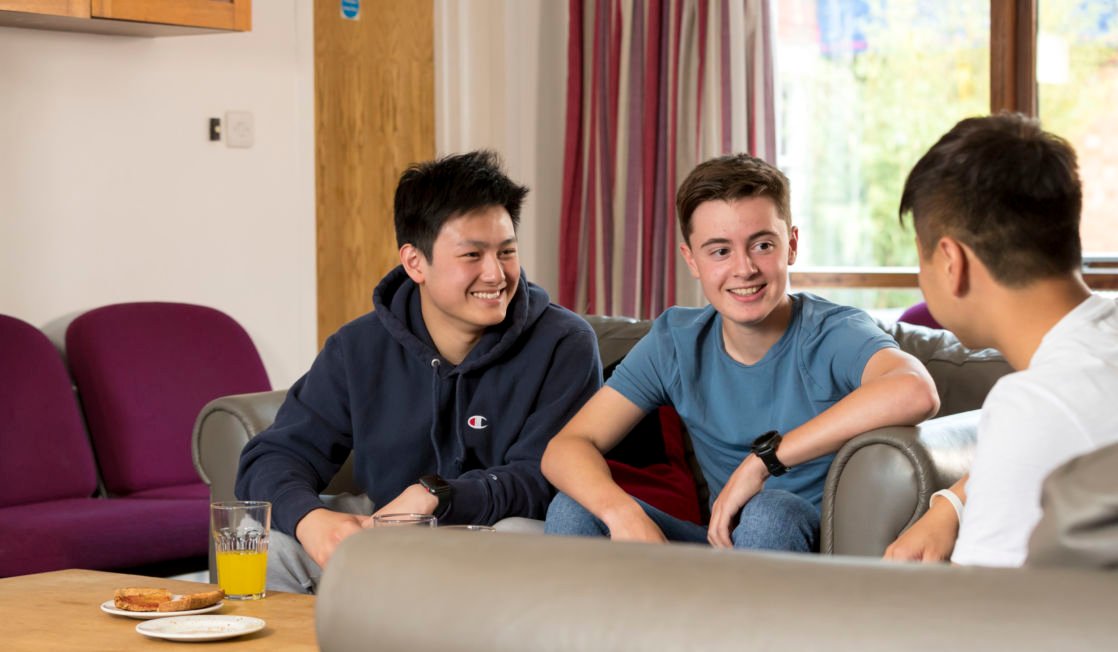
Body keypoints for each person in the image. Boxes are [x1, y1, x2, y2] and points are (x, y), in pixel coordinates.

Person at [236, 150, 602, 593]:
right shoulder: (357, 347)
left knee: (519, 539)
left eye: (507, 252)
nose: (496, 274)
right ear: (414, 263)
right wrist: (312, 521)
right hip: (385, 535)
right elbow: (274, 456)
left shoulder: (564, 343)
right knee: (268, 547)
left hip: (497, 537)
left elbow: (546, 476)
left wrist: (436, 496)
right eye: (472, 255)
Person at [542, 153, 940, 550]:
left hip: (814, 551)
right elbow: (566, 448)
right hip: (722, 550)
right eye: (719, 251)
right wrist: (622, 513)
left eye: (762, 245)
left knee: (769, 510)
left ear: (792, 245)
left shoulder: (834, 331)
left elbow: (914, 389)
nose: (744, 268)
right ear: (691, 260)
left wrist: (763, 462)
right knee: (573, 509)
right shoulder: (676, 343)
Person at [884, 113, 1118, 567]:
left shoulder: (1033, 406)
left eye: (922, 257)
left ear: (951, 261)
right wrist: (953, 504)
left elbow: (982, 621)